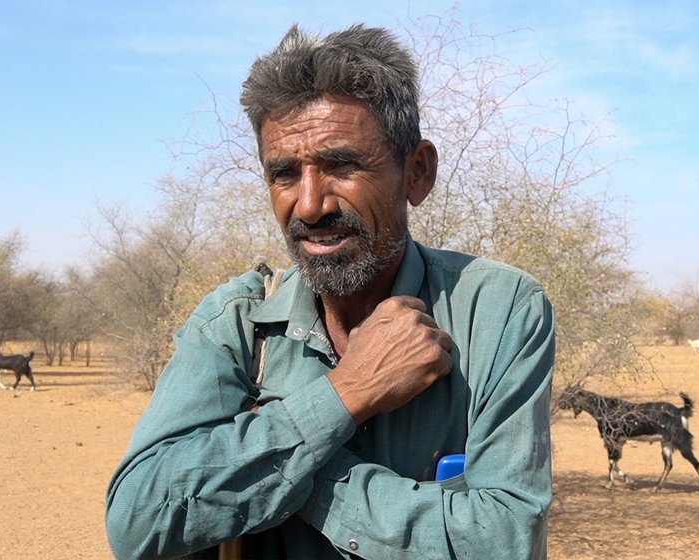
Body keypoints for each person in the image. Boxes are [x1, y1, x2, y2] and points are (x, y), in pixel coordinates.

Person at [106, 23, 554, 560]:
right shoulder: (236, 322)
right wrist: (347, 394)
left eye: (341, 166)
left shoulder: (500, 310)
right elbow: (137, 520)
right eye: (285, 174)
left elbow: (503, 543)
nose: (311, 204)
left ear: (417, 172)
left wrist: (281, 463)